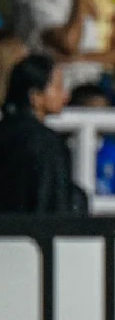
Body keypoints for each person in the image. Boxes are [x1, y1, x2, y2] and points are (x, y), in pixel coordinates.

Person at [0, 54, 82, 213]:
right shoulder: (47, 144)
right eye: (58, 87)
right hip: (34, 233)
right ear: (35, 97)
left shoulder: (5, 133)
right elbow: (54, 206)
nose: (66, 96)